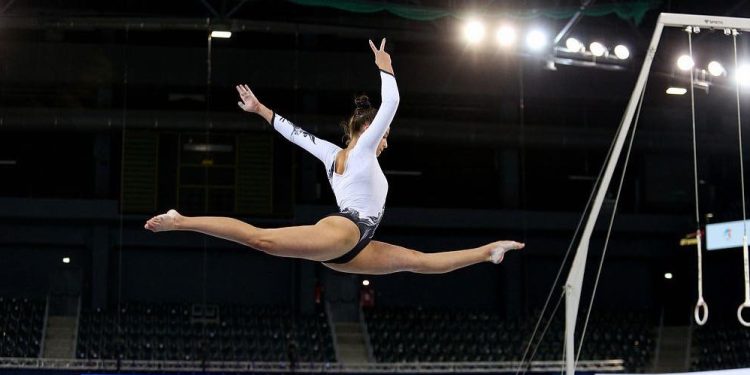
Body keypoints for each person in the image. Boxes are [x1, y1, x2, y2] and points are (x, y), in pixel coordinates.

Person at [145, 38, 524, 275]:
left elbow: (296, 135)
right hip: (346, 230)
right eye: (384, 135)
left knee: (416, 261)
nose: (386, 143)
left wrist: (262, 110)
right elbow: (391, 101)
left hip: (354, 246)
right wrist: (386, 69)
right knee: (264, 242)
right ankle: (182, 220)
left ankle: (488, 252)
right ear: (368, 129)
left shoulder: (335, 154)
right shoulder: (362, 147)